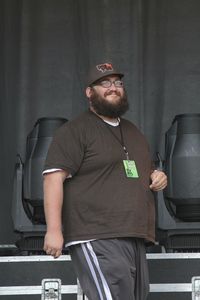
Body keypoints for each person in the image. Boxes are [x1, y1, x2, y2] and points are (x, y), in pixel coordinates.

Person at [43, 62, 167, 300]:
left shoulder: (132, 131)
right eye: (105, 83)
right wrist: (54, 231)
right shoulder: (75, 130)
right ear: (89, 92)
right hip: (95, 233)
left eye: (118, 83)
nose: (113, 88)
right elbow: (52, 179)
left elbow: (145, 170)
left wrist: (157, 176)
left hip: (134, 233)